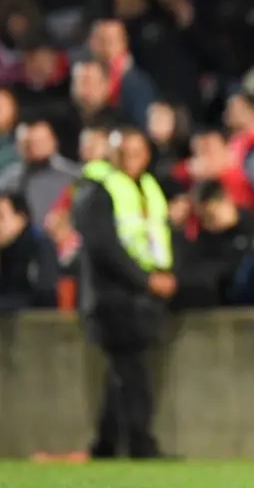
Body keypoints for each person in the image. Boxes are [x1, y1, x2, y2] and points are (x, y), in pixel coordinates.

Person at [71, 127, 175, 458]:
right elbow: (104, 247)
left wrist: (162, 276)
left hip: (139, 296)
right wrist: (146, 280)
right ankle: (141, 445)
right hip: (112, 296)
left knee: (124, 373)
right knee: (133, 372)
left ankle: (106, 444)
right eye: (123, 152)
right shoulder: (97, 191)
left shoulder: (147, 188)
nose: (131, 159)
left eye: (137, 152)